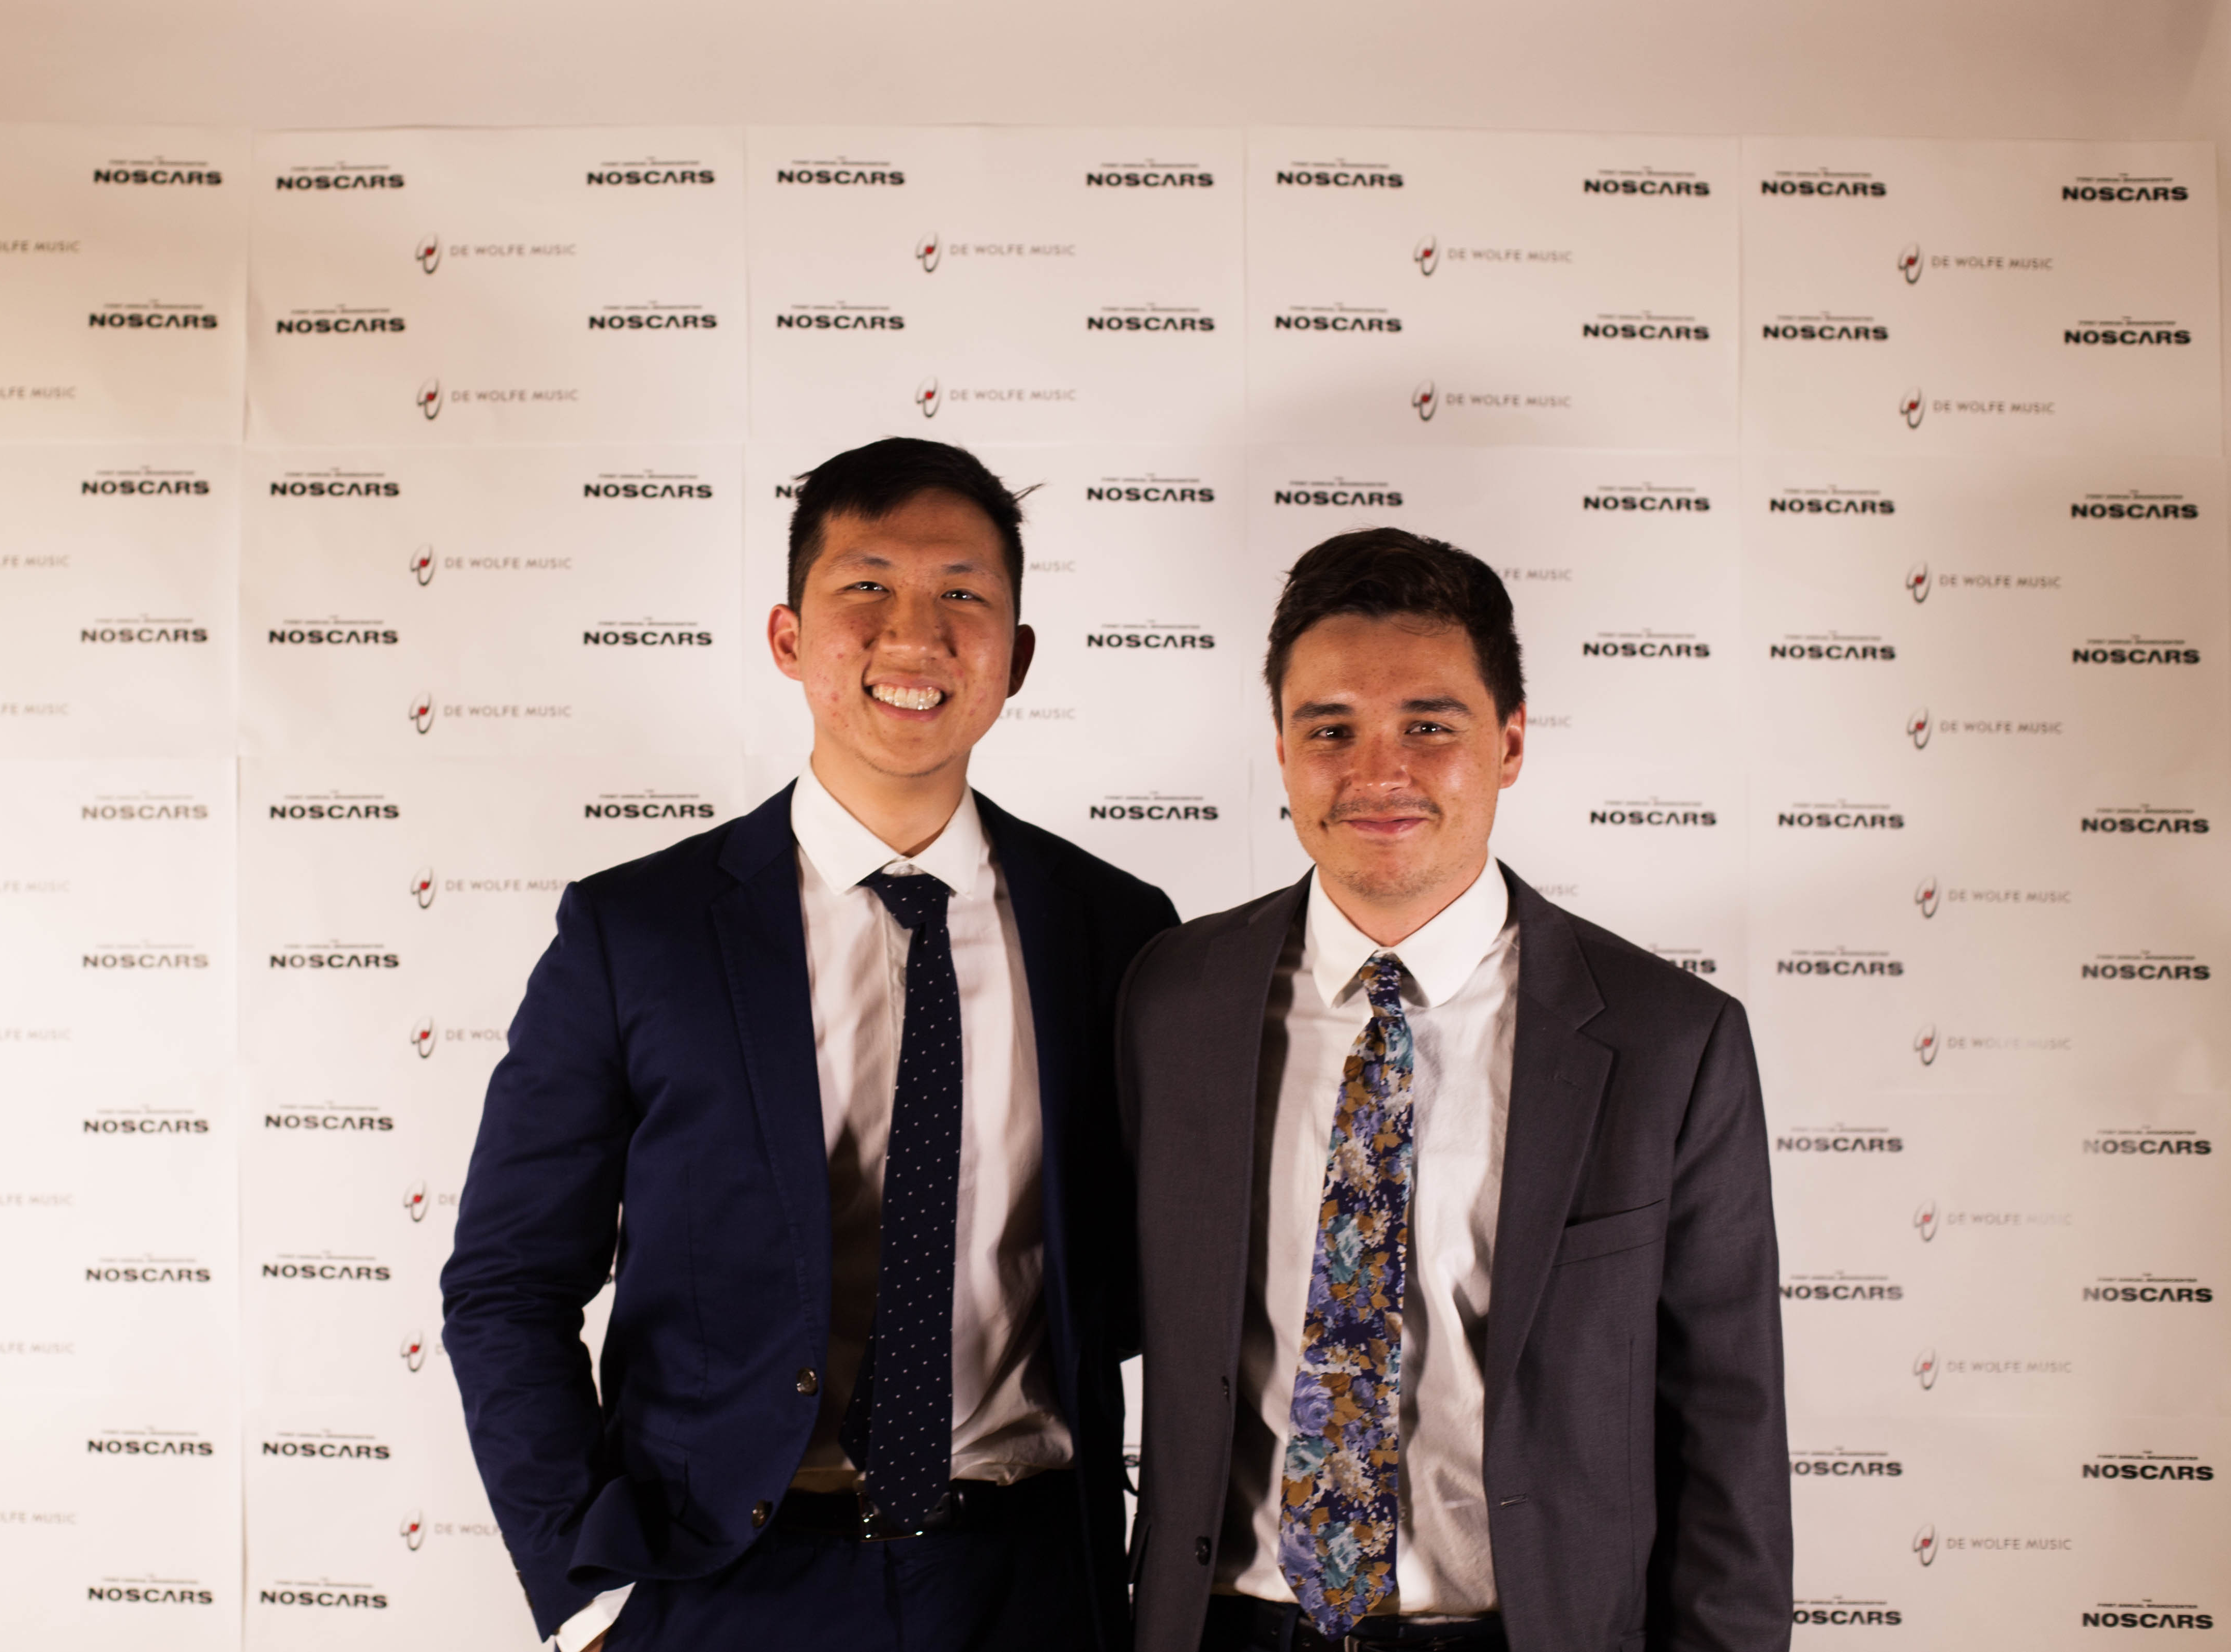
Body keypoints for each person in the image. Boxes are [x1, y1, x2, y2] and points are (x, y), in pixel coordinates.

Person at [442, 437, 1178, 1652]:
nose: (913, 633)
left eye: (962, 594)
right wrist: (588, 1593)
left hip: (1031, 1588)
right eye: (866, 586)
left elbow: (1158, 1278)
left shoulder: (1115, 929)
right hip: (723, 1586)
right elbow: (507, 1283)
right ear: (788, 637)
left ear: (1015, 656)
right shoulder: (640, 931)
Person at [1118, 530, 1789, 1652]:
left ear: (1510, 741)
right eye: (1330, 729)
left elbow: (1729, 1427)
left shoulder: (1670, 1043)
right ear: (1280, 751)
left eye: (1428, 726)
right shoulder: (1173, 998)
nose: (1378, 771)